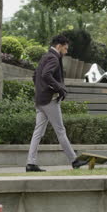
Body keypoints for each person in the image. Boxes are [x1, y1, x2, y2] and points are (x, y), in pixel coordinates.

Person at [26, 35, 88, 172]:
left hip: (40, 101)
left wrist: (41, 90)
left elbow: (35, 76)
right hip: (49, 101)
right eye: (65, 49)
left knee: (38, 132)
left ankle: (30, 164)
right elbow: (45, 75)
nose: (66, 52)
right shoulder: (53, 58)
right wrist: (60, 88)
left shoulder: (45, 56)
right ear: (58, 46)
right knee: (60, 131)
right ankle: (74, 161)